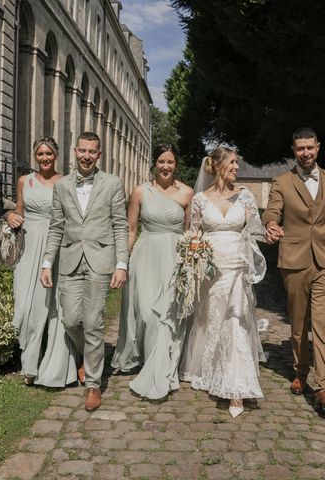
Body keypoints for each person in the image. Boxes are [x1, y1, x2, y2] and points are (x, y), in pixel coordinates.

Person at [41, 131, 128, 412]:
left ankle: (93, 384)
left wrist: (121, 264)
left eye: (92, 151)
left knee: (93, 323)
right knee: (70, 321)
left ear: (99, 155)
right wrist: (46, 263)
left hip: (100, 261)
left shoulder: (113, 184)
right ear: (75, 152)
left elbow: (120, 226)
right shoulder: (63, 186)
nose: (87, 156)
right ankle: (87, 355)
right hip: (69, 261)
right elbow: (55, 227)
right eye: (83, 151)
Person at [262, 127, 325, 410]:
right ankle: (300, 371)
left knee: (322, 324)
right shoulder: (281, 181)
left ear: (318, 147)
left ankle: (324, 388)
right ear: (294, 150)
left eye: (310, 147)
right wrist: (271, 224)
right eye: (300, 149)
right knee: (298, 325)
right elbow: (272, 210)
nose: (306, 153)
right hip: (294, 260)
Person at [180, 146, 268, 418]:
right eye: (232, 162)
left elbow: (257, 232)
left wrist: (270, 232)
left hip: (237, 268)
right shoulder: (199, 200)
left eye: (237, 163)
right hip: (211, 270)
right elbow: (193, 235)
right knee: (211, 320)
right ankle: (208, 369)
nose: (237, 167)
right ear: (218, 166)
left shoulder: (245, 197)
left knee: (234, 324)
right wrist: (194, 257)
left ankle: (236, 389)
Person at [111, 143, 194, 400]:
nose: (165, 167)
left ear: (175, 164)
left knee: (167, 315)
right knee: (147, 313)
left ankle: (162, 367)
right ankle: (148, 359)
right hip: (145, 257)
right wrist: (122, 263)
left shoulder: (188, 194)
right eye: (161, 162)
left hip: (174, 258)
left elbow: (191, 232)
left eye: (170, 162)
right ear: (154, 164)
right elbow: (131, 229)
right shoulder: (140, 192)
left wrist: (192, 261)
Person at [7, 136, 79, 387]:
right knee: (26, 307)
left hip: (57, 246)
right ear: (35, 156)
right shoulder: (23, 181)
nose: (45, 158)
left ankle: (50, 366)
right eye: (40, 154)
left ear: (56, 155)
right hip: (28, 247)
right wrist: (9, 217)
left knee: (54, 308)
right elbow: (19, 211)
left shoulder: (67, 182)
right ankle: (29, 360)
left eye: (49, 154)